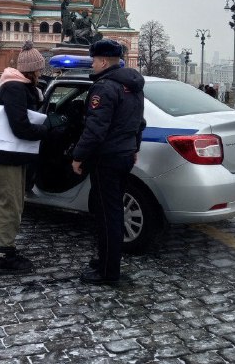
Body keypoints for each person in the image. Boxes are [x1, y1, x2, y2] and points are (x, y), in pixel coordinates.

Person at [71, 39, 146, 285]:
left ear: (103, 61)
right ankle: (106, 259)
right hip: (124, 156)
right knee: (109, 211)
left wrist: (78, 156)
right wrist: (134, 147)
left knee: (108, 215)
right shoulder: (132, 85)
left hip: (107, 159)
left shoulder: (104, 87)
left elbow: (95, 129)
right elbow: (138, 123)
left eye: (94, 60)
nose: (93, 64)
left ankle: (108, 271)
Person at [0, 41, 51, 274]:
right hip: (6, 156)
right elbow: (20, 126)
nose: (41, 73)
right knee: (10, 205)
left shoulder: (22, 87)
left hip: (14, 154)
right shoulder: (14, 88)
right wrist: (46, 130)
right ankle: (6, 257)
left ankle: (6, 248)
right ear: (31, 69)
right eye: (39, 69)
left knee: (15, 204)